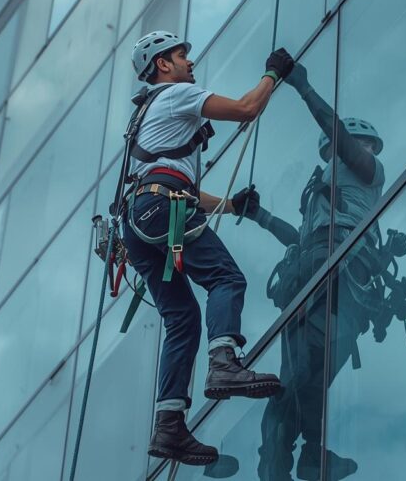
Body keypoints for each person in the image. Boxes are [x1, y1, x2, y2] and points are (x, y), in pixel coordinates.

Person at [120, 31, 295, 467]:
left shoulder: (146, 115)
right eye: (182, 56)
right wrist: (272, 74)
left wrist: (232, 205)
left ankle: (168, 425)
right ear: (163, 65)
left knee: (181, 319)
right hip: (161, 206)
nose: (189, 63)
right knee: (226, 278)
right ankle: (225, 363)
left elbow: (169, 184)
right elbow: (246, 108)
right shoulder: (177, 93)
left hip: (139, 220)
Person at [234, 62, 387, 480]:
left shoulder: (367, 172)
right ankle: (299, 454)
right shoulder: (323, 191)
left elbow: (335, 131)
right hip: (314, 271)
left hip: (338, 271)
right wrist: (259, 215)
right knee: (304, 371)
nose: (363, 150)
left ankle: (303, 453)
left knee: (310, 371)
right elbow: (302, 239)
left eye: (363, 145)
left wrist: (303, 87)